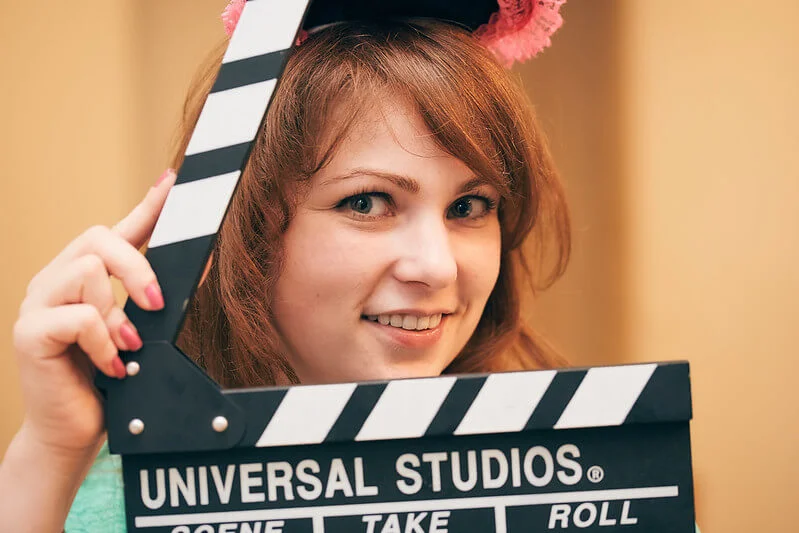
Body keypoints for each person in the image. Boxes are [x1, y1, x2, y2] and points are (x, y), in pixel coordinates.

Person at [0, 4, 574, 532]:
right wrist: (48, 456)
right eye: (366, 202)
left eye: (469, 207)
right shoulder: (97, 504)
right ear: (245, 228)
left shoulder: (573, 482)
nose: (437, 267)